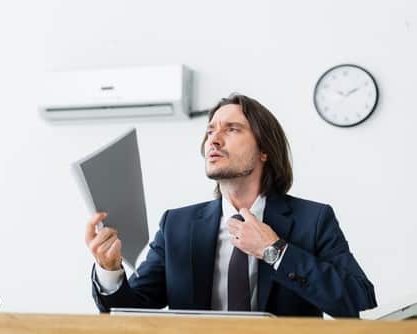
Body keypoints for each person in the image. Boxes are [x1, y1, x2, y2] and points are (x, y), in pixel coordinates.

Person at [84, 94, 377, 317]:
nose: (214, 140)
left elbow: (356, 299)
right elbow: (132, 312)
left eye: (232, 129)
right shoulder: (177, 225)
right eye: (211, 131)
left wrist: (274, 251)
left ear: (264, 150)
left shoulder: (312, 219)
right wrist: (109, 271)